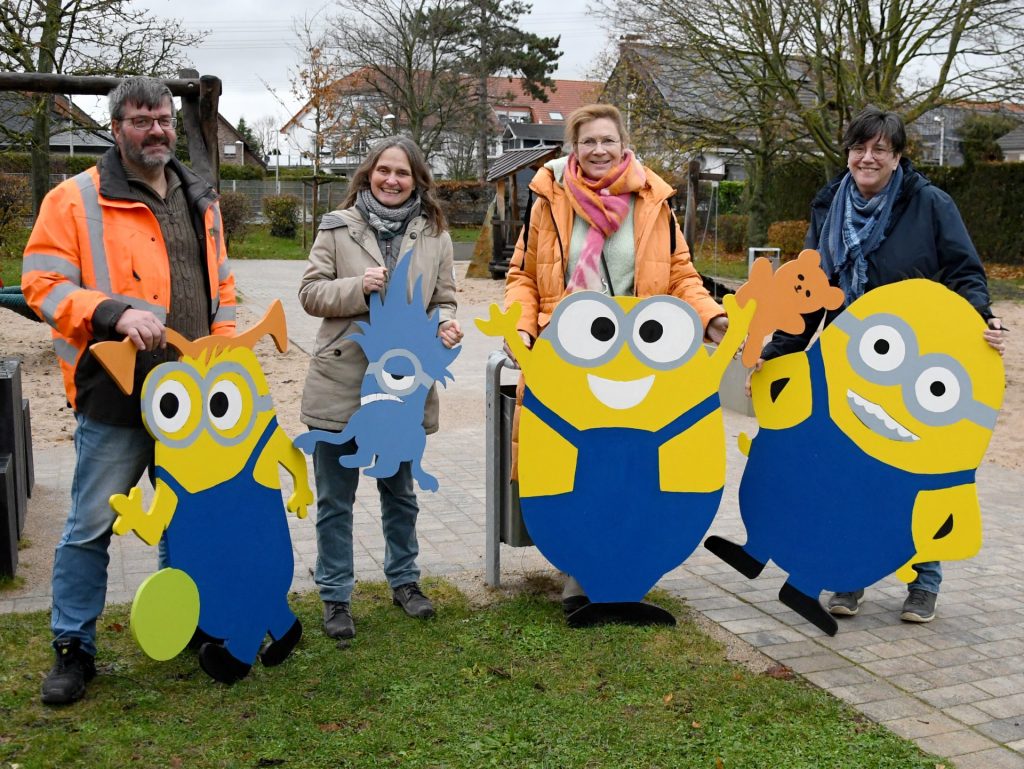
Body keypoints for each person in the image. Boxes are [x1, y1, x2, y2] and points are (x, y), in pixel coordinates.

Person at [22, 76, 236, 704]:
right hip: (117, 391)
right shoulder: (73, 199)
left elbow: (220, 284)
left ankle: (187, 624)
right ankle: (72, 649)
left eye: (165, 118)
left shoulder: (201, 196)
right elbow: (41, 284)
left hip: (194, 394)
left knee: (190, 519)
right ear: (115, 128)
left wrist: (223, 354)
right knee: (92, 524)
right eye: (142, 120)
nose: (157, 130)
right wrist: (111, 310)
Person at [750, 105, 1006, 624]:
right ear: (847, 153)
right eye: (859, 148)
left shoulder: (929, 203)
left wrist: (980, 322)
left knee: (916, 466)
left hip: (914, 360)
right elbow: (809, 291)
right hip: (851, 362)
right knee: (851, 468)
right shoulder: (828, 206)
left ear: (897, 157)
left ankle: (924, 582)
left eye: (880, 150)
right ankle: (850, 578)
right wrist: (775, 353)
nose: (868, 158)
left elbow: (964, 269)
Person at [503, 103, 728, 614]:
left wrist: (711, 317)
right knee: (572, 455)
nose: (599, 150)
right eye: (588, 142)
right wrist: (521, 328)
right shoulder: (548, 200)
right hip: (568, 355)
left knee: (627, 460)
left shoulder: (654, 203)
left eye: (608, 140)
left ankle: (617, 563)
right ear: (573, 149)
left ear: (623, 144)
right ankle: (579, 570)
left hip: (637, 357)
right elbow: (522, 276)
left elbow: (681, 277)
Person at [298, 136, 463, 641]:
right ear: (368, 174)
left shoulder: (435, 233)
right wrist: (357, 288)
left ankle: (405, 582)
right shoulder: (337, 227)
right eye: (384, 170)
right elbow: (309, 294)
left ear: (418, 180)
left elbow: (446, 297)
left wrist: (447, 326)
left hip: (401, 388)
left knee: (400, 493)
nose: (392, 180)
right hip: (341, 382)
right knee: (335, 500)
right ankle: (335, 596)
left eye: (403, 173)